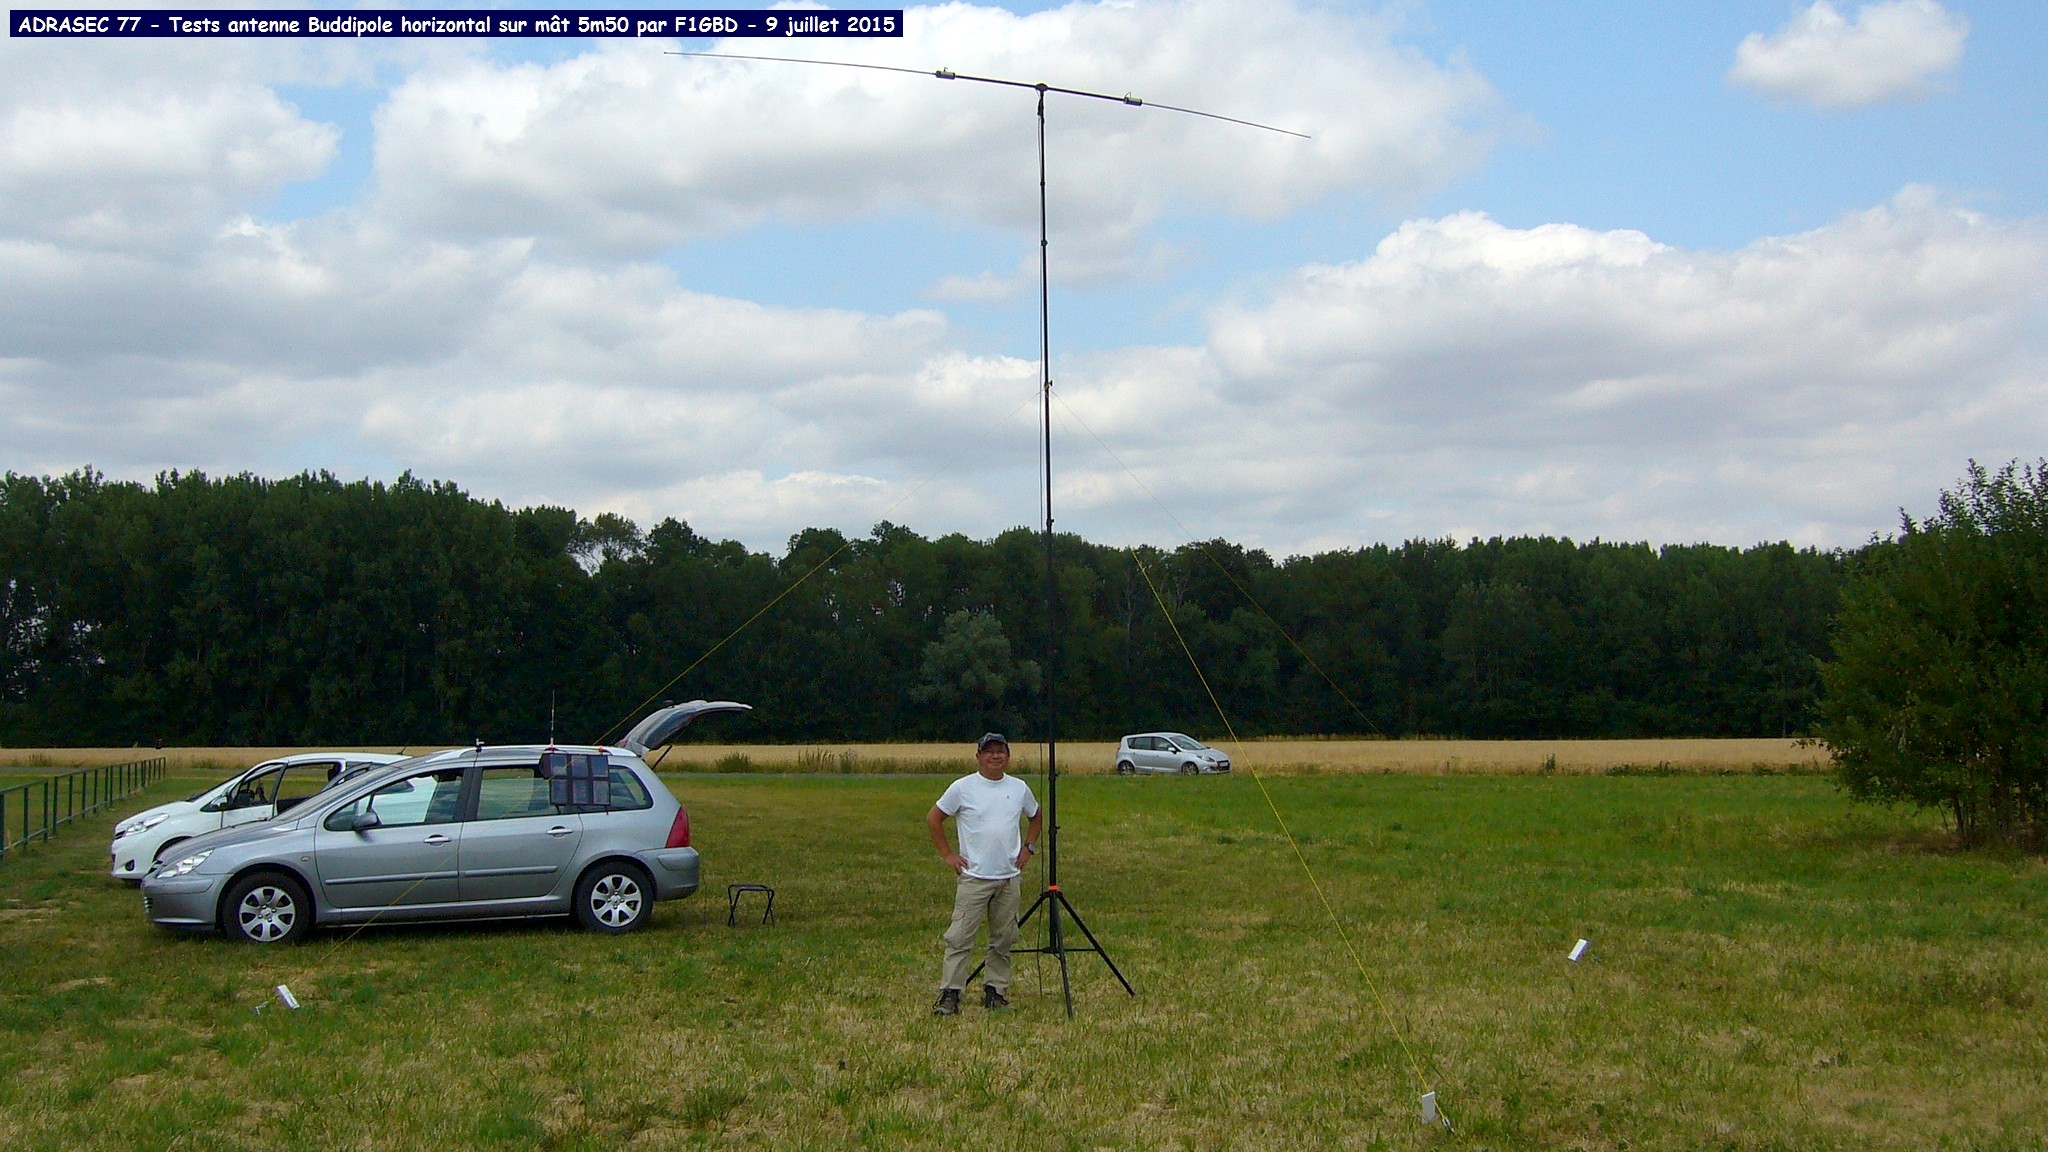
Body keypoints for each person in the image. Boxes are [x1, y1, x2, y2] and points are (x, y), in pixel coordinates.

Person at [927, 732, 1042, 1015]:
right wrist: (948, 854)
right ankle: (951, 993)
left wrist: (1028, 848)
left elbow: (1036, 816)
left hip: (1008, 877)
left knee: (1004, 938)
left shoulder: (1019, 788)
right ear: (978, 756)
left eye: (1000, 751)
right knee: (960, 937)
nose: (995, 756)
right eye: (989, 751)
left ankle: (995, 990)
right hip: (974, 877)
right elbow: (934, 818)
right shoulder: (962, 788)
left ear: (1008, 757)